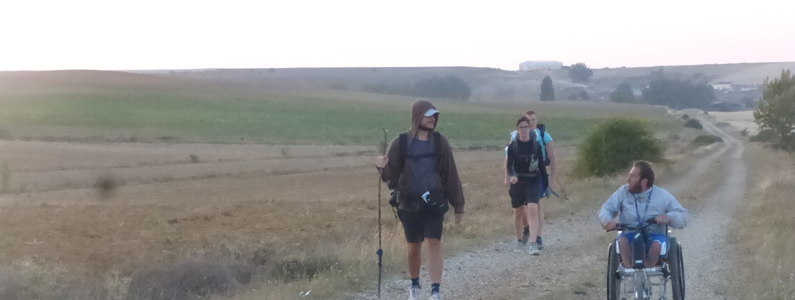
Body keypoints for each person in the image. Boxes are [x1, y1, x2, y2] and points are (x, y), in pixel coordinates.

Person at [375, 99, 465, 300]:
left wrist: (458, 204)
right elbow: (390, 175)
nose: (432, 119)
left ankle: (435, 291)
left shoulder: (440, 142)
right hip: (408, 203)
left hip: (434, 203)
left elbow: (451, 173)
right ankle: (415, 286)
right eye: (428, 115)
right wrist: (381, 166)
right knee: (414, 246)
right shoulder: (401, 143)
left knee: (434, 241)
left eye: (434, 115)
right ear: (417, 117)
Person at [599, 161, 688, 269]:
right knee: (622, 241)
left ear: (644, 181)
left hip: (654, 235)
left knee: (656, 245)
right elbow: (606, 208)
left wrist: (669, 217)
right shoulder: (623, 192)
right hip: (630, 233)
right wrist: (607, 221)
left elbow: (682, 215)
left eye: (632, 176)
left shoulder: (662, 196)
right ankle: (630, 271)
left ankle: (646, 273)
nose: (628, 179)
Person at [503, 110, 557, 250]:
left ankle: (537, 239)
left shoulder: (543, 136)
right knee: (520, 210)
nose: (530, 124)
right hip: (519, 178)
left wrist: (551, 181)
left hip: (536, 176)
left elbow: (552, 158)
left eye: (533, 120)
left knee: (536, 207)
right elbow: (508, 159)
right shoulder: (515, 139)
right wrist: (507, 176)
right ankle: (526, 231)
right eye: (528, 121)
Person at [506, 116, 545, 255]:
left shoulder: (536, 145)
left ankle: (533, 243)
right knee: (518, 213)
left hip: (533, 182)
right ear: (518, 130)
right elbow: (509, 165)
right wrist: (512, 176)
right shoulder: (513, 146)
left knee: (533, 210)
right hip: (518, 183)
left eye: (526, 127)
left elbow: (541, 166)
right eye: (521, 127)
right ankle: (519, 240)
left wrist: (545, 184)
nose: (523, 130)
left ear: (530, 128)